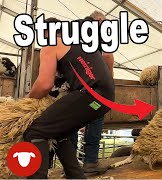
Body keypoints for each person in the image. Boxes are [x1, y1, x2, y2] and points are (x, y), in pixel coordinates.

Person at [23, 17, 115, 179]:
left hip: (90, 96)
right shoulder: (78, 41)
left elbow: (45, 84)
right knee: (59, 133)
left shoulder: (51, 44)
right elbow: (107, 57)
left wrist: (28, 100)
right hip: (101, 100)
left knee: (35, 131)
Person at [68, 10, 115, 173]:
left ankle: (71, 164)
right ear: (100, 20)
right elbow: (108, 55)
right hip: (95, 92)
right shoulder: (99, 32)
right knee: (95, 119)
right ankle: (90, 162)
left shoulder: (72, 30)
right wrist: (109, 79)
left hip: (74, 89)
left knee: (72, 125)